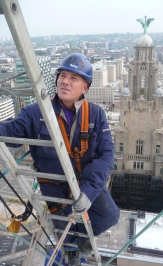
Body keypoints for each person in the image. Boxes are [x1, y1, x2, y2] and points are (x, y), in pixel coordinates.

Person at [0, 53, 120, 266]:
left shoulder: (95, 114)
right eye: (63, 76)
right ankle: (71, 247)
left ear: (85, 88)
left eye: (73, 78)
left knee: (109, 216)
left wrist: (90, 190)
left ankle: (81, 242)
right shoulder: (36, 113)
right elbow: (11, 132)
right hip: (54, 189)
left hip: (86, 183)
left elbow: (106, 155)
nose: (65, 81)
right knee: (63, 229)